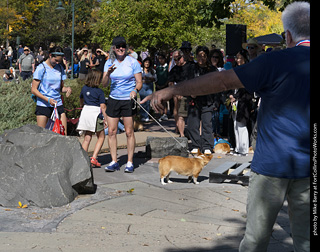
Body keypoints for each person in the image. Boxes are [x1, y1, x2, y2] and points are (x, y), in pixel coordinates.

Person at [142, 2, 310, 251]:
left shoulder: (274, 61)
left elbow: (221, 80)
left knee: (255, 241)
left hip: (272, 166)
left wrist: (173, 89)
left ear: (287, 35)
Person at [102, 36, 142, 173]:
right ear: (113, 48)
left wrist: (135, 90)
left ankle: (130, 162)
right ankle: (114, 161)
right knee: (111, 131)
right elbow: (104, 84)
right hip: (114, 99)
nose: (120, 49)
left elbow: (139, 82)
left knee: (129, 131)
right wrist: (108, 73)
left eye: (123, 46)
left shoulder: (133, 62)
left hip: (128, 99)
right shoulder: (108, 62)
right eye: (118, 46)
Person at [31, 46, 72, 134]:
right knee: (42, 135)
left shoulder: (60, 68)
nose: (57, 63)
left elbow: (61, 88)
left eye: (59, 61)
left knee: (63, 133)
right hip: (44, 104)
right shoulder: (41, 68)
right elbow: (34, 90)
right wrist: (48, 100)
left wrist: (67, 89)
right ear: (50, 56)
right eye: (56, 60)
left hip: (57, 104)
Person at [187, 46, 216, 154]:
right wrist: (190, 93)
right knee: (192, 124)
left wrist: (215, 101)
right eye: (199, 55)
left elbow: (216, 86)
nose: (201, 58)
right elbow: (186, 82)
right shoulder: (191, 68)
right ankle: (196, 144)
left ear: (207, 57)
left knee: (207, 124)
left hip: (207, 100)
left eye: (204, 56)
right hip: (194, 100)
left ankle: (207, 145)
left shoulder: (212, 70)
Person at [77, 69, 108, 168]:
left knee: (87, 137)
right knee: (101, 136)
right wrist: (106, 119)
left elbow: (81, 99)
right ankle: (94, 157)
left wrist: (82, 105)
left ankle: (81, 158)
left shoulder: (84, 88)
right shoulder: (99, 91)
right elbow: (103, 106)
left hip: (86, 112)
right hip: (95, 114)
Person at [167, 50, 195, 137]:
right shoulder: (174, 69)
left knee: (195, 116)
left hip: (193, 94)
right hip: (181, 95)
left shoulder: (191, 66)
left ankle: (197, 134)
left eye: (178, 58)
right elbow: (170, 82)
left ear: (183, 57)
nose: (177, 61)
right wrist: (175, 92)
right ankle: (182, 135)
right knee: (181, 115)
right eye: (175, 59)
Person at [140, 57, 157, 122]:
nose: (147, 64)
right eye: (146, 62)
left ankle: (146, 116)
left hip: (149, 86)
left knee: (148, 101)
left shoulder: (152, 70)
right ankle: (142, 115)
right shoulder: (141, 70)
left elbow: (155, 79)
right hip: (142, 86)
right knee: (142, 101)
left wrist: (150, 79)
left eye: (148, 62)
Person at [155, 52, 169, 121]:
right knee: (159, 101)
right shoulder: (158, 68)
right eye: (159, 59)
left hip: (165, 86)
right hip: (158, 86)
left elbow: (168, 78)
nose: (160, 60)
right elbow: (156, 77)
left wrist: (165, 84)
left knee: (165, 101)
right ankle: (161, 114)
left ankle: (165, 114)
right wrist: (157, 84)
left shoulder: (167, 67)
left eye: (162, 59)